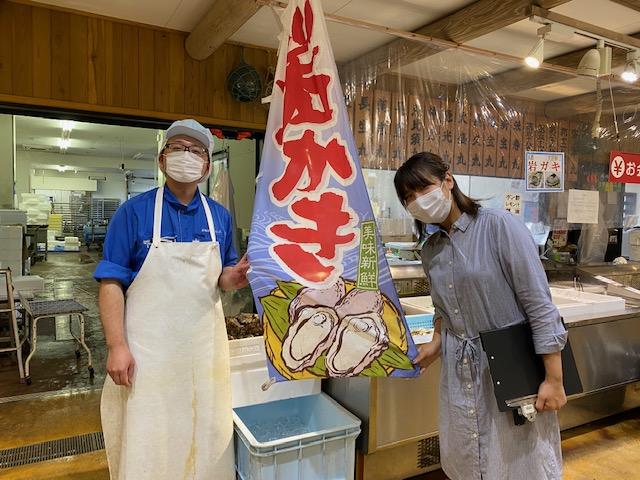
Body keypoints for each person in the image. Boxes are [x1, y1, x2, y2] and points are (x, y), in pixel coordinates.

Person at [394, 152, 567, 480]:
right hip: (459, 373)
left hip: (509, 366)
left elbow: (539, 304)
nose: (418, 200)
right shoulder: (430, 250)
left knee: (519, 461)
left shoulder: (499, 226)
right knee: (469, 459)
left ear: (448, 180)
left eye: (423, 188)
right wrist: (435, 345)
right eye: (408, 197)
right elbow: (443, 309)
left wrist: (554, 379)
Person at [94, 119, 249, 480]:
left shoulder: (219, 216)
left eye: (195, 151)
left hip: (203, 353)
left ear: (206, 166)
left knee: (204, 432)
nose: (186, 155)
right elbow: (111, 282)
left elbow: (221, 278)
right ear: (162, 160)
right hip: (148, 356)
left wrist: (234, 278)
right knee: (150, 436)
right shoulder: (133, 213)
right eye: (177, 148)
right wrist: (117, 346)